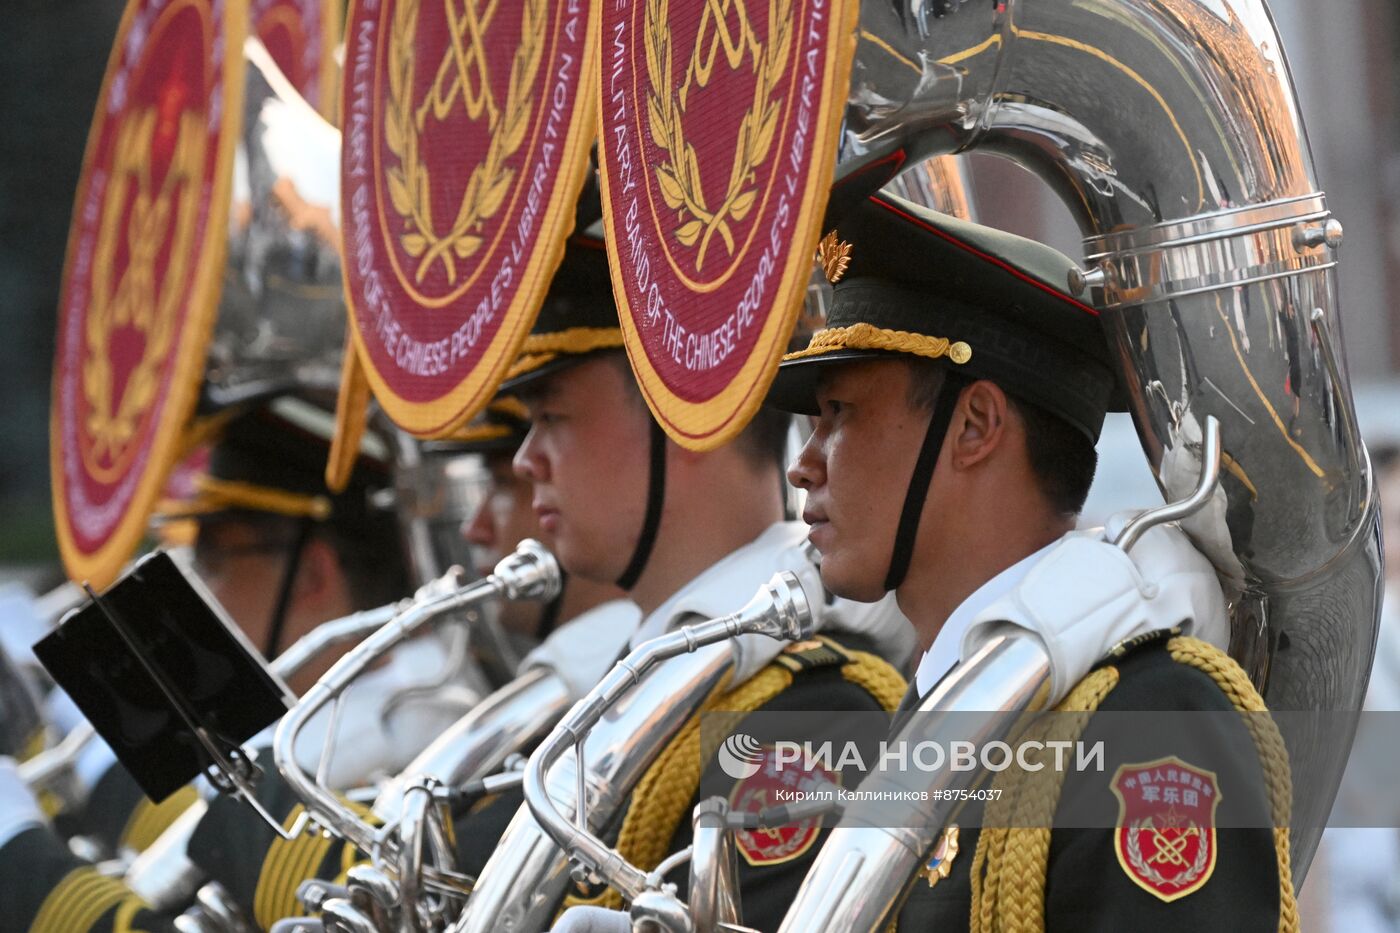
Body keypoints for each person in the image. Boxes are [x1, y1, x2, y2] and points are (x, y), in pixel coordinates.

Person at [766, 191, 1297, 930]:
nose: (806, 464)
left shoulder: (1148, 715)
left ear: (976, 424)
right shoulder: (941, 702)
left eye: (840, 415)